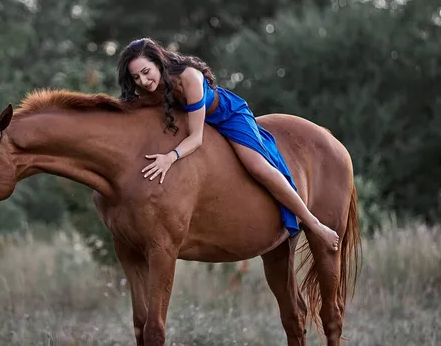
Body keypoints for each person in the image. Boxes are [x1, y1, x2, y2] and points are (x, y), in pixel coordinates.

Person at [116, 37, 339, 251]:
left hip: (229, 116)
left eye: (146, 72)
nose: (143, 82)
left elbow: (196, 137)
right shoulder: (151, 88)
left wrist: (170, 157)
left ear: (159, 62)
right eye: (136, 78)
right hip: (200, 121)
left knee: (257, 167)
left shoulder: (189, 77)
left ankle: (314, 224)